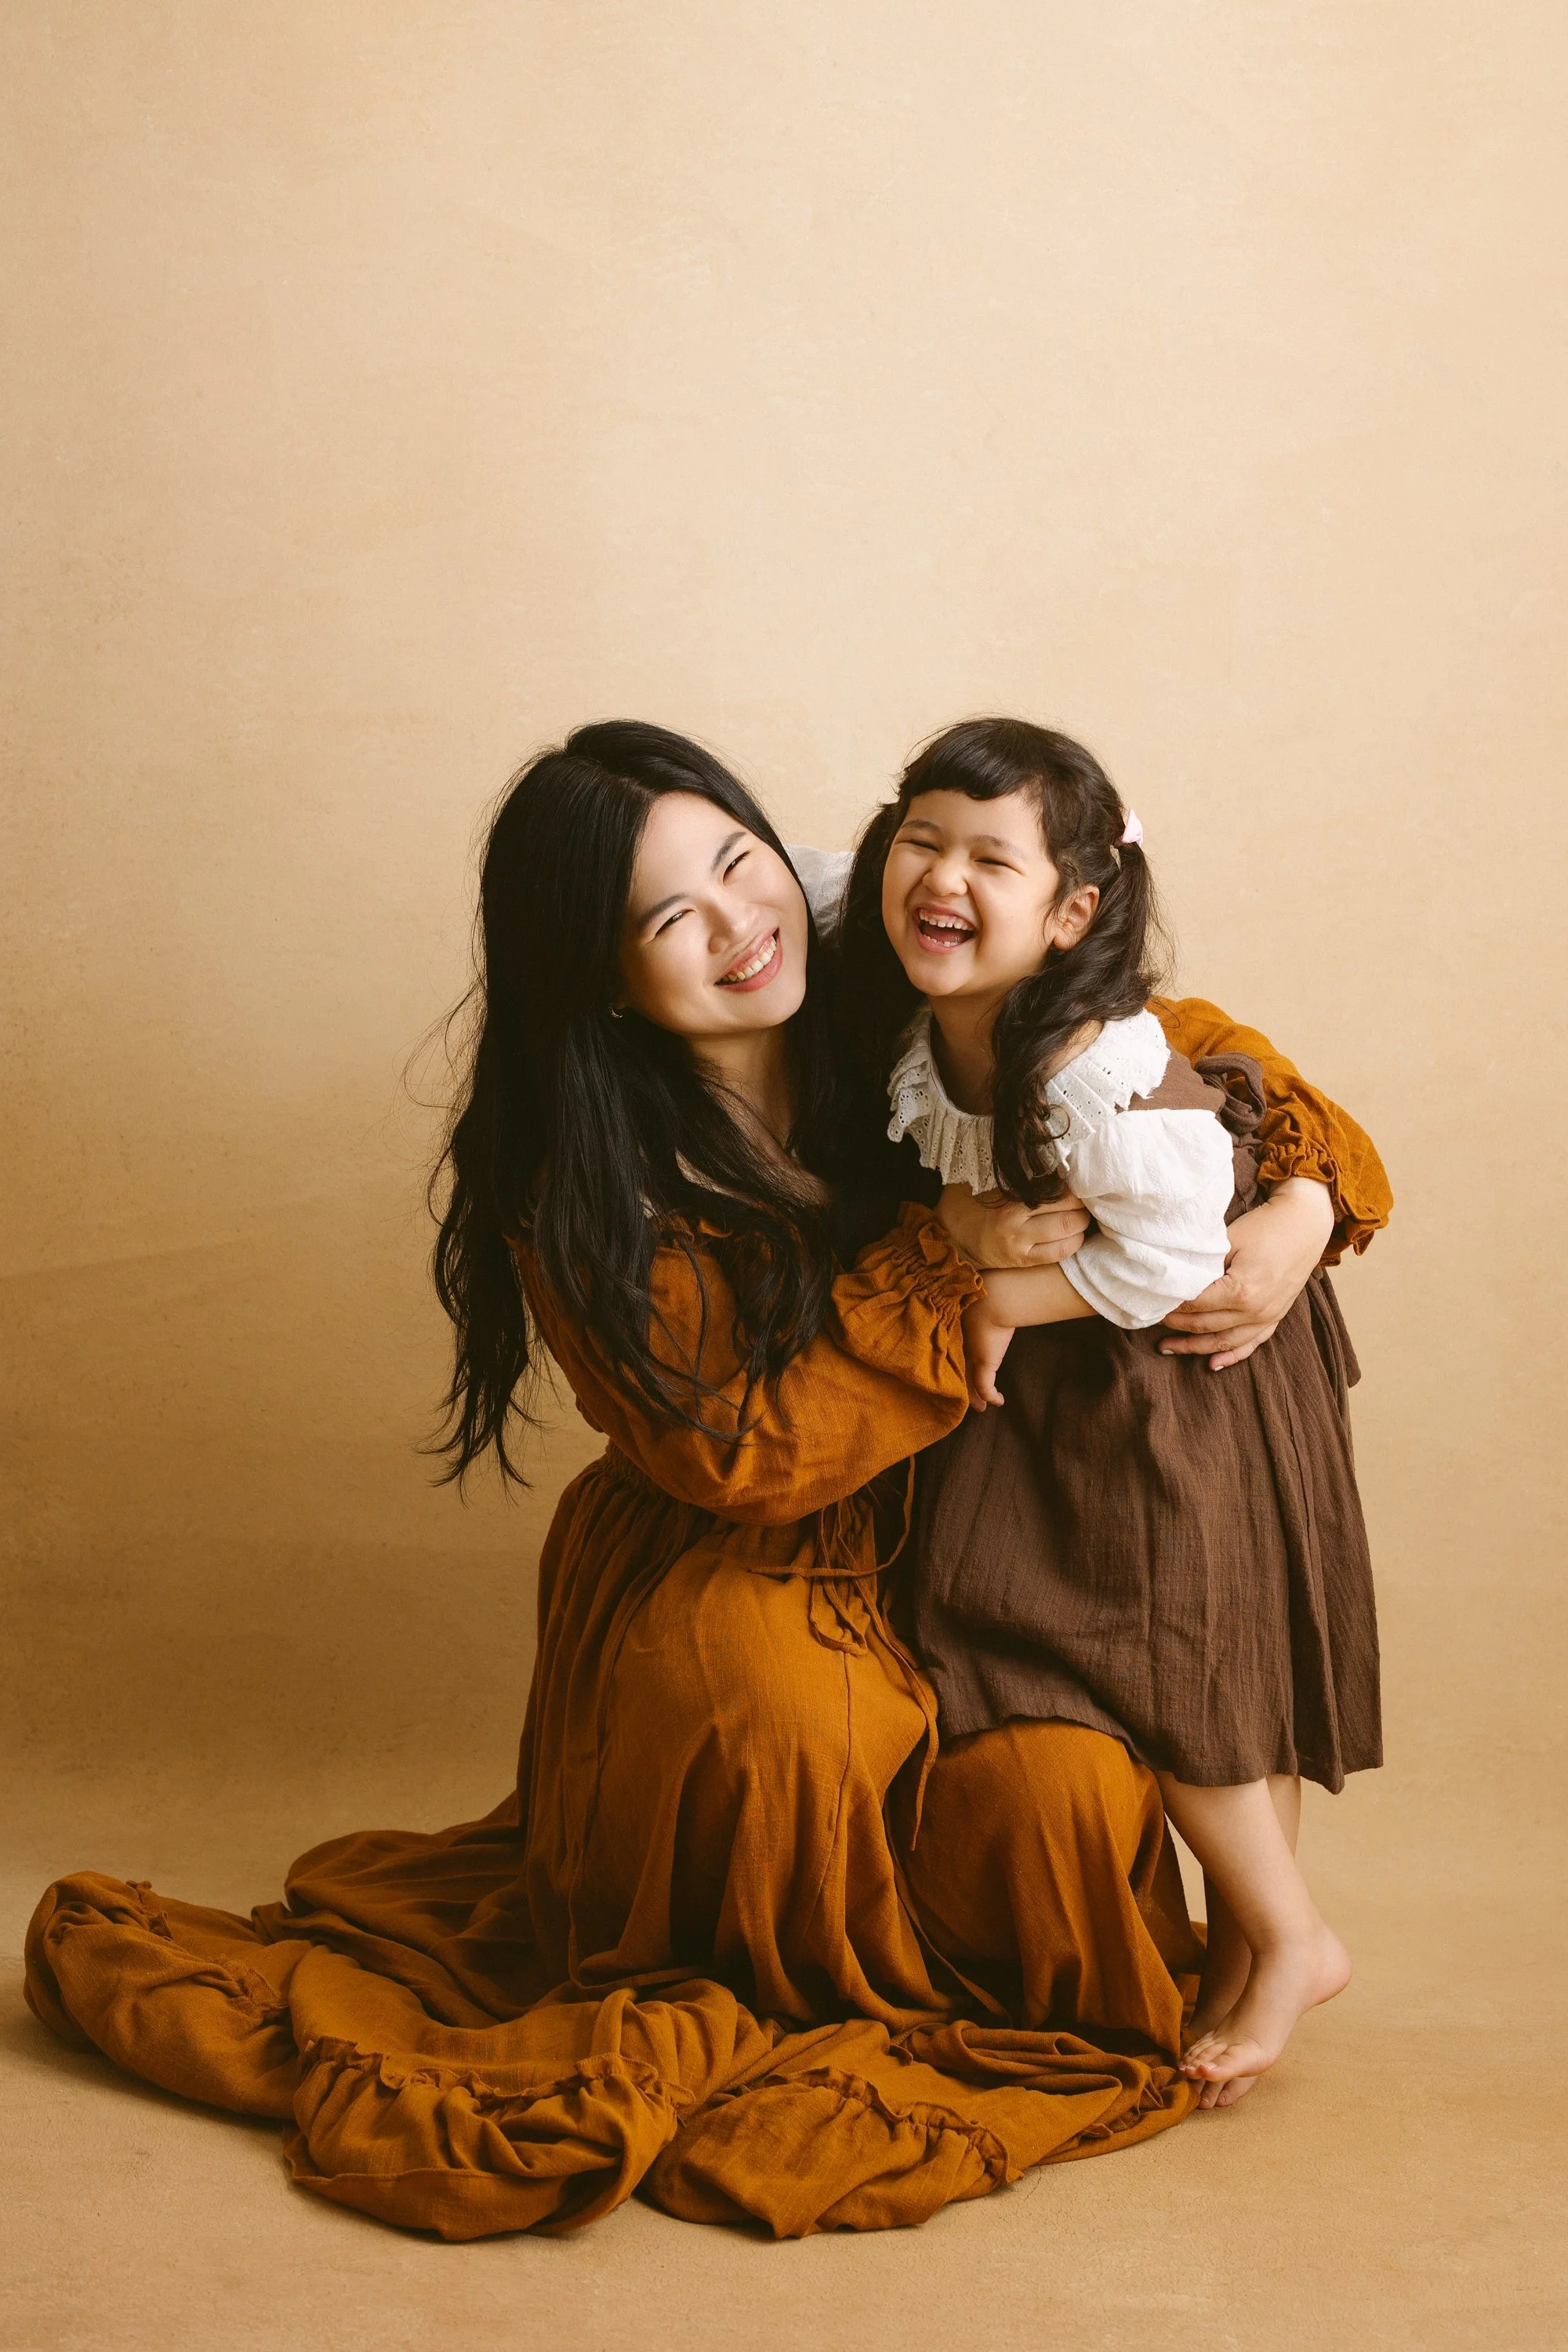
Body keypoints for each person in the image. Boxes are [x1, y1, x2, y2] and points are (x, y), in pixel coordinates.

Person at [25, 722, 1390, 2235]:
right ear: (603, 974)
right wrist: (950, 1264)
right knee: (788, 1730)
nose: (738, 925)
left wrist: (1300, 1207)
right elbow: (747, 1453)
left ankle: (1260, 1935)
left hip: (978, 1512)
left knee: (1060, 1800)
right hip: (750, 1535)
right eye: (671, 916)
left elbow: (1166, 1049)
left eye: (741, 864)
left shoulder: (876, 961)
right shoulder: (583, 1172)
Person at [835, 717, 1384, 2105]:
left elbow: (1175, 1247)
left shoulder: (1094, 1060)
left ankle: (1286, 1938)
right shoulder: (917, 1011)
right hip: (1110, 1368)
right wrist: (960, 1224)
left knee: (1188, 1663)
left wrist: (998, 1299)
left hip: (1190, 1353)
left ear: (1074, 908)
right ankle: (1259, 1948)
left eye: (990, 860)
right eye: (920, 841)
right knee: (1172, 1652)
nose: (941, 879)